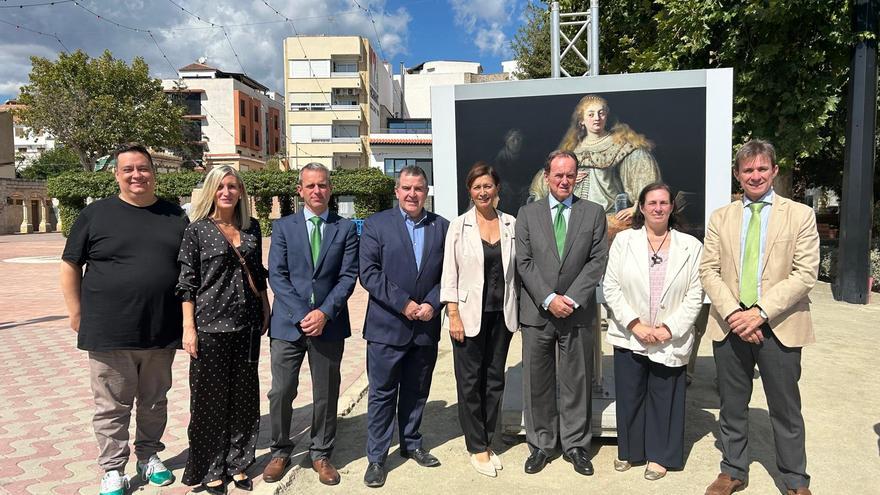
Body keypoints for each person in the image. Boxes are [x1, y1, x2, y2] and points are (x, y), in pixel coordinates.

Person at [60, 143, 188, 495]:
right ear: (116, 174)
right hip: (109, 329)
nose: (137, 175)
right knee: (111, 406)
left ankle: (148, 456)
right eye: (128, 169)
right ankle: (113, 468)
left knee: (154, 402)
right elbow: (70, 264)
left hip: (161, 329)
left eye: (143, 168)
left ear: (154, 172)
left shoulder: (175, 216)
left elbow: (189, 270)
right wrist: (76, 312)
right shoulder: (95, 215)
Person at [699, 139, 819, 495]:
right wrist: (737, 314)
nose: (755, 176)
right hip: (730, 326)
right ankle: (733, 469)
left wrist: (760, 313)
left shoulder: (799, 215)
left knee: (785, 409)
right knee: (732, 405)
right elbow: (708, 269)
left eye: (762, 168)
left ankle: (796, 479)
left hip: (779, 327)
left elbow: (805, 272)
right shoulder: (721, 217)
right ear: (738, 174)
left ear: (774, 171)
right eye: (748, 170)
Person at [262, 162, 359, 486]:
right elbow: (277, 274)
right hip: (289, 325)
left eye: (323, 185)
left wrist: (324, 313)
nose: (317, 191)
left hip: (328, 325)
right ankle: (280, 450)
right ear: (300, 190)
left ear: (330, 189)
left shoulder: (344, 229)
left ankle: (320, 452)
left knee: (326, 392)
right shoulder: (284, 227)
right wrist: (304, 313)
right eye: (311, 186)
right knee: (281, 390)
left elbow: (348, 276)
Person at [176, 165, 270, 494]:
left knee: (244, 399)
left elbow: (258, 275)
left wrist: (265, 306)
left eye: (232, 186)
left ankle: (239, 462)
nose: (226, 192)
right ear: (211, 192)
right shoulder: (197, 231)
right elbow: (187, 284)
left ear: (241, 192)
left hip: (246, 326)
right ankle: (211, 466)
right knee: (208, 401)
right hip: (210, 326)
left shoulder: (251, 228)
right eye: (220, 187)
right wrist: (189, 328)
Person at [602, 182, 704, 481]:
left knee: (665, 395)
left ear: (672, 207)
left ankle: (660, 456)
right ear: (642, 207)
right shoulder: (624, 242)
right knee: (630, 393)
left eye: (663, 203)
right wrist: (635, 324)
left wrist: (669, 329)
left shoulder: (690, 246)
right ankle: (630, 451)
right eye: (651, 203)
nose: (658, 208)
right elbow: (611, 286)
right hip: (630, 331)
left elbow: (695, 294)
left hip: (669, 336)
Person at [515, 150, 608, 476]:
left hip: (576, 312)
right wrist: (549, 297)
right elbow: (523, 262)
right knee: (536, 383)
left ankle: (576, 445)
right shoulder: (527, 214)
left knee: (576, 383)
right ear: (547, 176)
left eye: (570, 175)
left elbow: (597, 261)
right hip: (538, 313)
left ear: (577, 176)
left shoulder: (594, 213)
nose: (564, 180)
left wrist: (571, 298)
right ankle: (541, 444)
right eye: (558, 175)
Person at [359, 166, 449, 488]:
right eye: (407, 188)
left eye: (419, 188)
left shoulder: (442, 227)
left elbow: (448, 274)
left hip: (425, 327)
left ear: (427, 192)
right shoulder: (376, 225)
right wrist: (404, 304)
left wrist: (432, 303)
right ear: (397, 191)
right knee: (382, 395)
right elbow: (368, 272)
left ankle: (411, 444)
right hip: (387, 328)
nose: (413, 194)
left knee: (416, 391)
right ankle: (377, 458)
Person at [440, 162, 518, 477]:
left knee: (495, 379)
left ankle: (488, 439)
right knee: (470, 382)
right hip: (468, 316)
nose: (483, 192)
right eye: (476, 187)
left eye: (487, 186)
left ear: (496, 188)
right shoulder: (459, 227)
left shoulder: (511, 224)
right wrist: (453, 314)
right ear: (469, 191)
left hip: (502, 315)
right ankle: (476, 446)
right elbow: (449, 273)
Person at [528, 94, 660, 238]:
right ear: (582, 120)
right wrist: (566, 177)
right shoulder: (573, 149)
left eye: (601, 113)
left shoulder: (620, 145)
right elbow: (546, 176)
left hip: (607, 218)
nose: (597, 118)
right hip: (574, 220)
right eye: (591, 114)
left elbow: (641, 166)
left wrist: (637, 205)